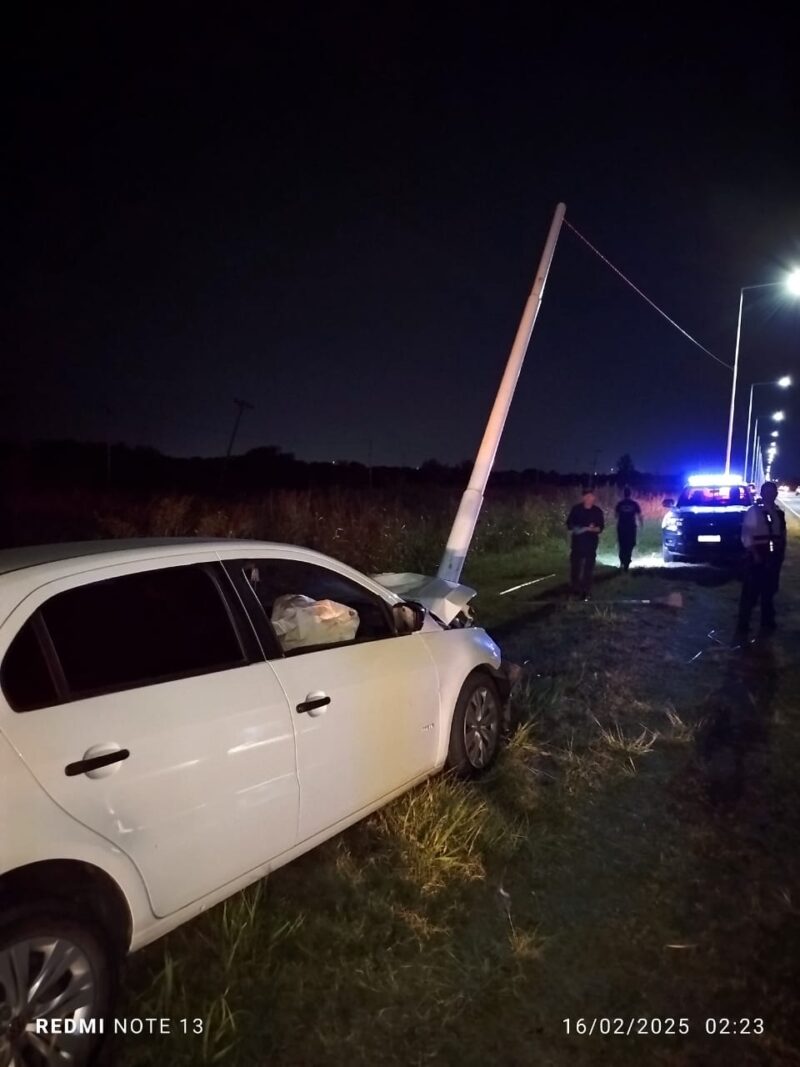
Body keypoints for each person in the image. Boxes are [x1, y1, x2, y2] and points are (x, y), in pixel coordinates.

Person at [736, 480, 787, 637]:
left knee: (769, 591)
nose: (770, 495)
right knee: (751, 592)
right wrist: (754, 554)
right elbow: (746, 535)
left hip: (773, 558)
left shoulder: (778, 513)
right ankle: (743, 625)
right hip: (756, 557)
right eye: (767, 492)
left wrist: (779, 556)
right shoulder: (754, 511)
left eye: (773, 492)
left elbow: (780, 536)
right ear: (762, 493)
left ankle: (767, 622)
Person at [566, 488, 605, 600]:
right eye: (586, 496)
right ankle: (575, 589)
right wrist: (579, 528)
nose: (589, 499)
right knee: (575, 567)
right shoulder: (576, 509)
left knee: (588, 568)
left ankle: (586, 590)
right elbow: (569, 525)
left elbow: (600, 528)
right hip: (577, 544)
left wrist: (592, 529)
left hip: (591, 544)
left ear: (594, 498)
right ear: (583, 498)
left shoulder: (597, 511)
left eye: (591, 496)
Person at [614, 486, 643, 570]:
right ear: (631, 494)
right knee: (630, 544)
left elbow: (616, 516)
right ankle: (627, 561)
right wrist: (641, 525)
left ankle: (622, 561)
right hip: (631, 527)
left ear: (623, 494)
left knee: (622, 544)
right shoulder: (634, 504)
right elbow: (640, 516)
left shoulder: (620, 503)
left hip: (621, 527)